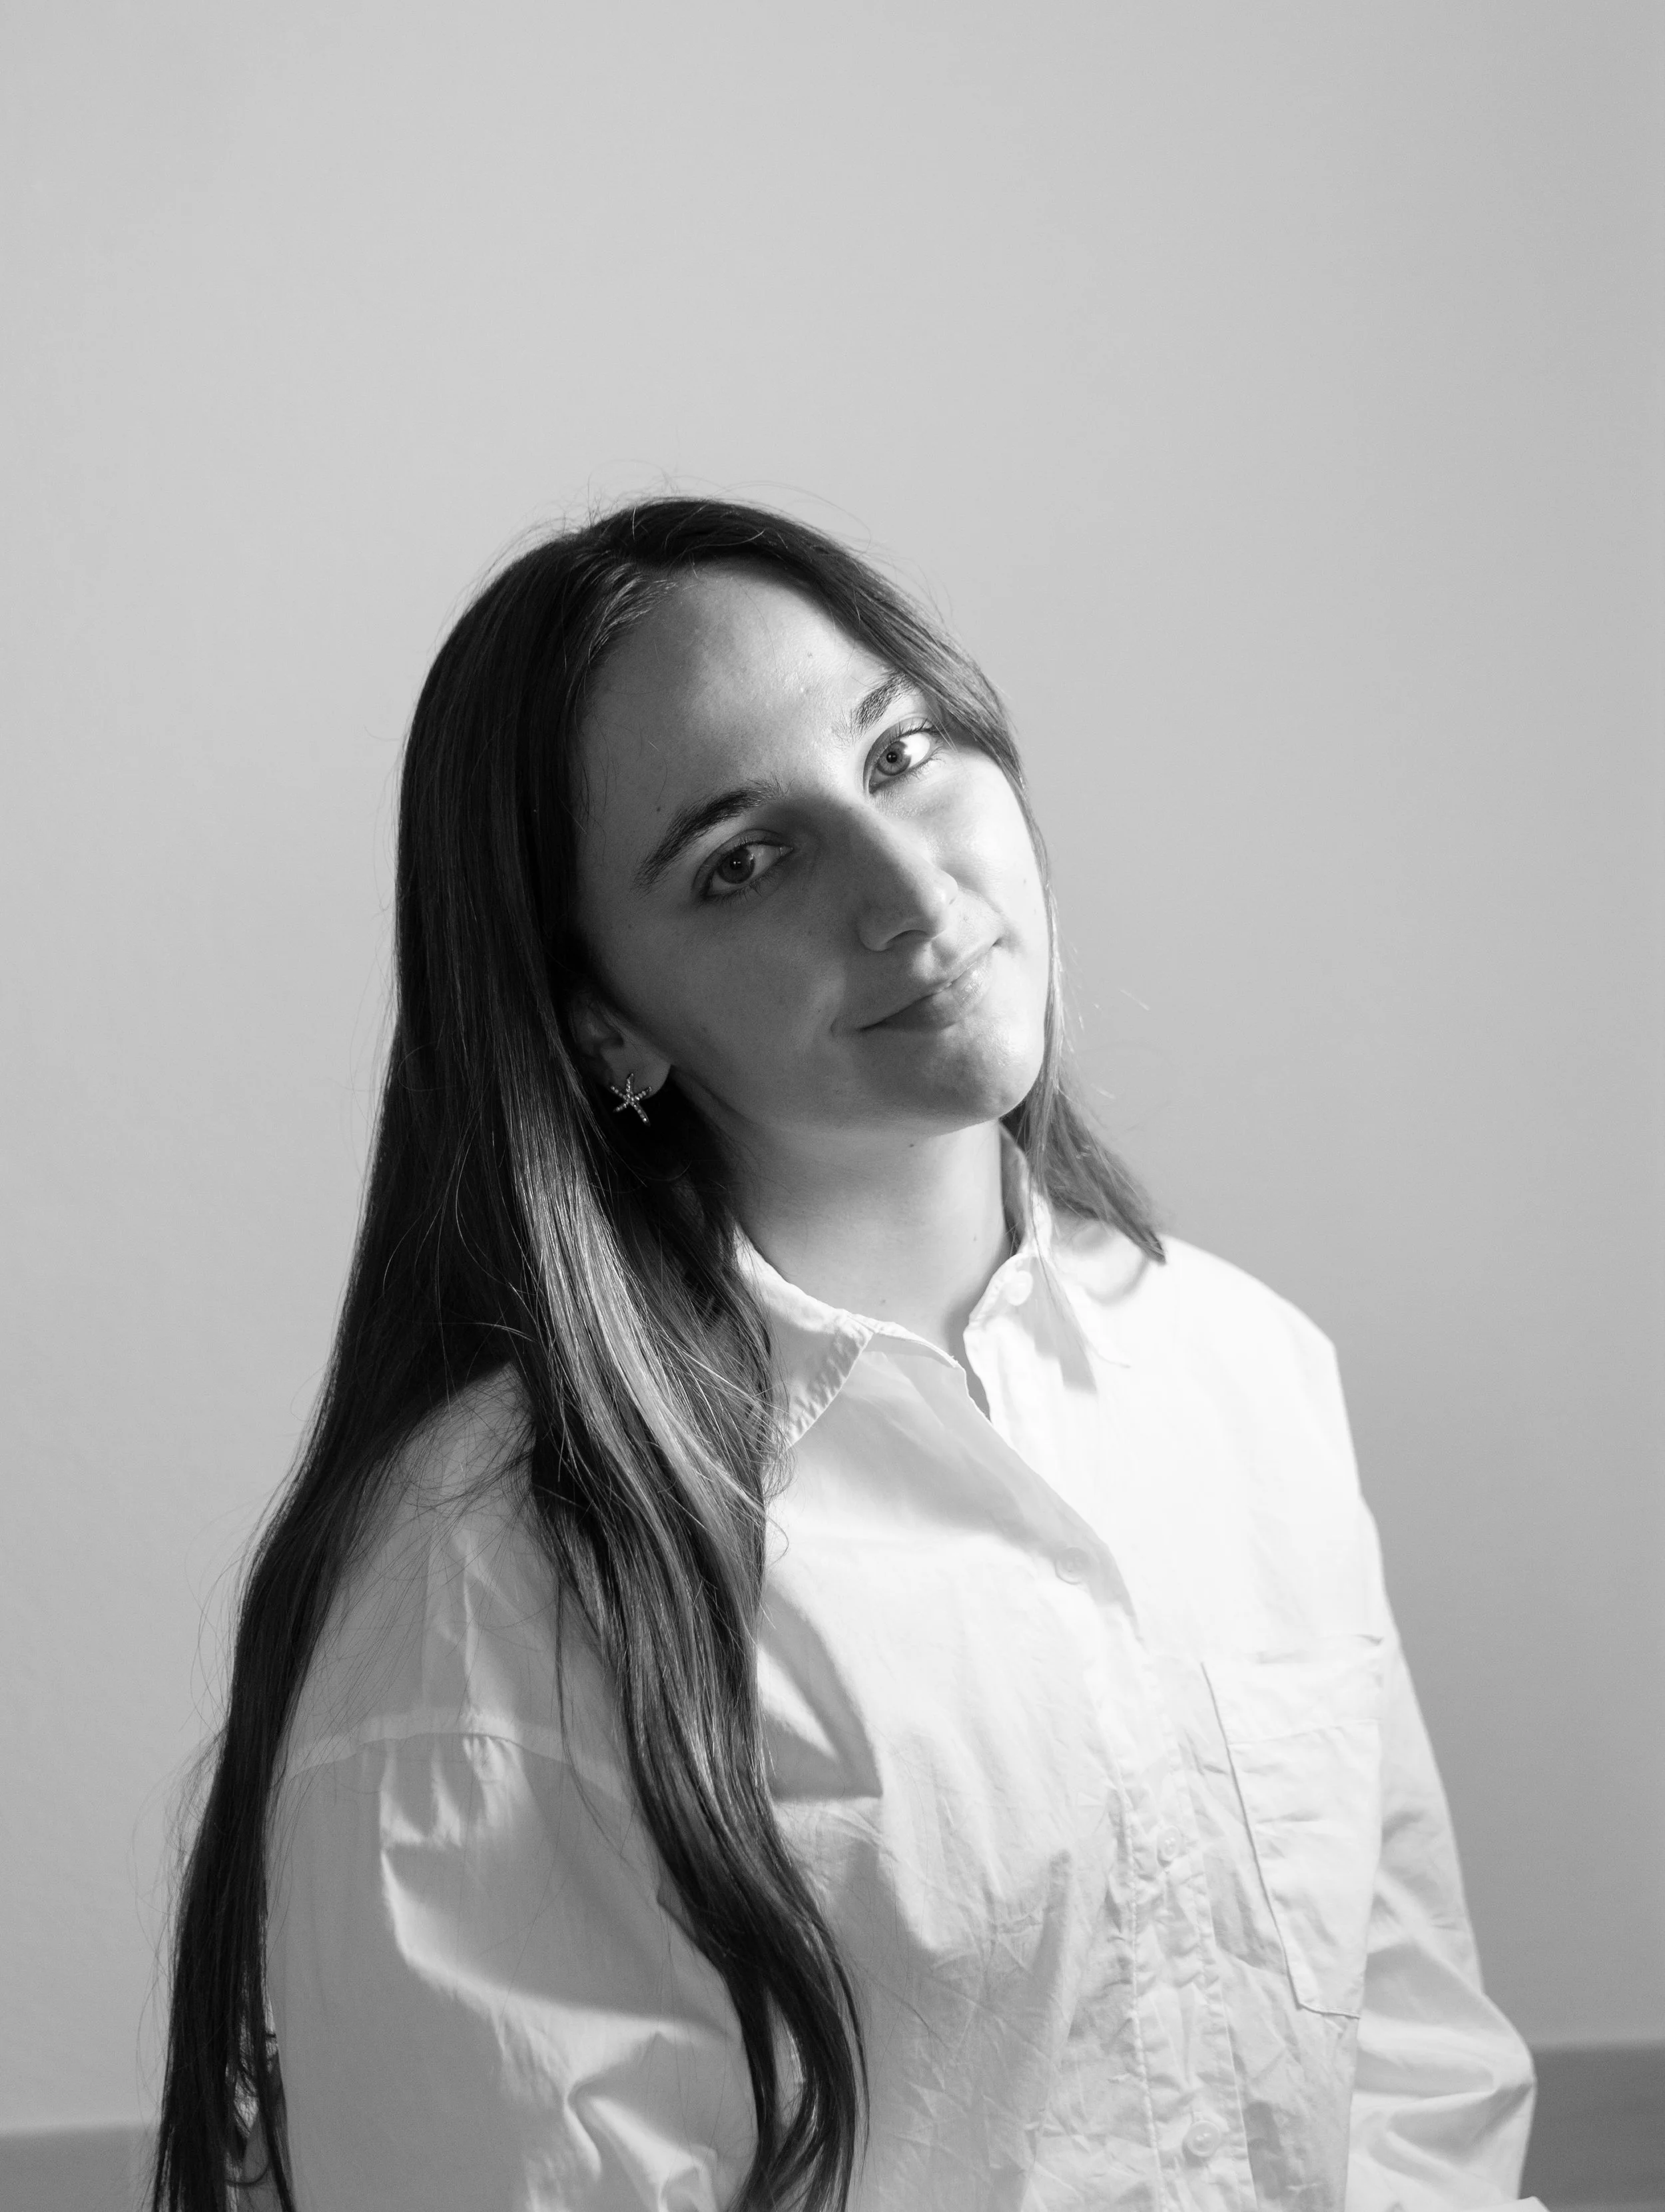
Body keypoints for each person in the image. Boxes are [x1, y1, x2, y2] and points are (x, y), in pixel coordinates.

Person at [152, 498, 1540, 2212]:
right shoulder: (490, 1581)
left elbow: (1408, 2065)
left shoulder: (1242, 1373)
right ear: (601, 1022)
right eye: (744, 862)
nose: (906, 891)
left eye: (901, 752)